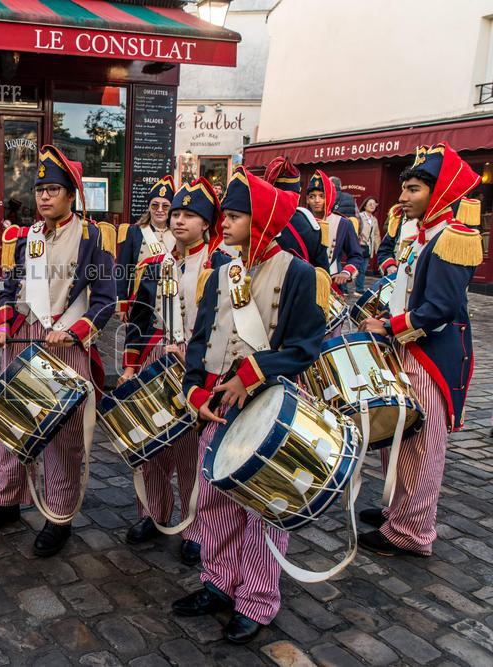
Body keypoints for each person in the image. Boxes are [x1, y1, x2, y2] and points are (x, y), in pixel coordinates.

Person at [173, 166, 326, 644]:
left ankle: (257, 597)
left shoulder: (299, 274)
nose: (227, 224)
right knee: (214, 496)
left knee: (259, 507)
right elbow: (201, 340)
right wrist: (195, 389)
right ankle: (218, 581)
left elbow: (307, 345)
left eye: (236, 217)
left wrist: (252, 373)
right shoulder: (223, 273)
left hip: (268, 404)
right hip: (219, 404)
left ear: (260, 221)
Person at [0, 144, 116, 557]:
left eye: (54, 189)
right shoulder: (27, 236)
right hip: (25, 340)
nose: (45, 197)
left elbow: (106, 299)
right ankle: (7, 499)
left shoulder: (92, 236)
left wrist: (75, 332)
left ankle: (59, 515)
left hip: (67, 344)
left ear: (71, 194)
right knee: (14, 423)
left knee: (63, 437)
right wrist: (2, 327)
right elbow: (12, 292)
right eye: (40, 191)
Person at [357, 143, 481, 558]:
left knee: (422, 443)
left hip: (431, 355)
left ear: (438, 192)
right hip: (410, 351)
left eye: (412, 189)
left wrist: (389, 326)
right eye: (404, 188)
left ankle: (412, 531)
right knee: (400, 434)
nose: (402, 197)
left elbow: (440, 309)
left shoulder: (453, 236)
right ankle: (399, 510)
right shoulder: (426, 233)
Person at [119, 177, 230, 565]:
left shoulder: (222, 265)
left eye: (189, 215)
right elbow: (139, 320)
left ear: (207, 222)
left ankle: (195, 526)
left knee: (190, 455)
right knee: (152, 447)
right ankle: (153, 512)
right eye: (177, 214)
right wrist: (131, 365)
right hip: (156, 361)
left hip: (196, 368)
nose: (179, 221)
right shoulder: (154, 264)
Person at [116, 176, 175, 319]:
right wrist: (123, 304)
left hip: (170, 299)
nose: (159, 210)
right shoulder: (134, 232)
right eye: (155, 205)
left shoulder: (178, 233)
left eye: (165, 206)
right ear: (149, 207)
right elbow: (123, 270)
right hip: (140, 300)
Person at [263, 157, 329, 271]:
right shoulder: (312, 223)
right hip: (305, 286)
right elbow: (322, 272)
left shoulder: (262, 222)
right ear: (298, 192)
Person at [306, 171, 362, 291]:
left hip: (329, 282)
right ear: (307, 199)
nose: (316, 200)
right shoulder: (300, 219)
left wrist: (346, 272)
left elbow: (355, 254)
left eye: (322, 196)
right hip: (302, 282)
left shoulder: (343, 223)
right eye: (312, 196)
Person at [355, 196, 382, 294]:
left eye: (374, 204)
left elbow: (376, 235)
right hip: (358, 245)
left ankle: (359, 289)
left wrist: (378, 250)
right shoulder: (360, 216)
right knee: (353, 267)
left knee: (363, 269)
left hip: (367, 248)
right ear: (365, 205)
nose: (372, 206)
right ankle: (344, 288)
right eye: (370, 203)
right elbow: (355, 229)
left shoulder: (374, 219)